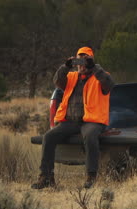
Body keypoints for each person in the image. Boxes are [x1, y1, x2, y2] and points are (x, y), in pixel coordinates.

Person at [31, 46, 114, 189]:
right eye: (78, 61)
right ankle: (46, 177)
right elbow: (57, 81)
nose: (81, 65)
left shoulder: (100, 76)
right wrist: (65, 66)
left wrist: (94, 68)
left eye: (85, 60)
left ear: (91, 61)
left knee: (89, 136)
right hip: (71, 121)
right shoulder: (71, 77)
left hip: (92, 121)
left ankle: (91, 177)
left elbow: (109, 84)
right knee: (48, 137)